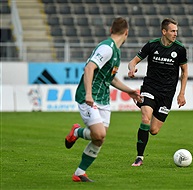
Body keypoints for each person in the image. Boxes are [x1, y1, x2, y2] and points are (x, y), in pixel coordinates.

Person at [64, 17, 141, 182]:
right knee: (98, 134)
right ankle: (77, 132)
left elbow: (110, 79)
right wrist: (89, 94)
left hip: (104, 99)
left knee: (100, 137)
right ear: (126, 33)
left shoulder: (116, 51)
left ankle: (79, 173)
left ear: (111, 30)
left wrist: (130, 91)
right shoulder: (107, 48)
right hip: (89, 97)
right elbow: (89, 67)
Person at [127, 18, 188, 167]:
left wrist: (181, 93)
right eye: (173, 31)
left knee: (153, 130)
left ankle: (144, 105)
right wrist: (131, 68)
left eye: (176, 31)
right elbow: (133, 61)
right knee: (145, 119)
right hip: (150, 88)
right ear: (164, 31)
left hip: (167, 93)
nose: (175, 34)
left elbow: (184, 72)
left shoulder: (179, 49)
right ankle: (139, 157)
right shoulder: (152, 45)